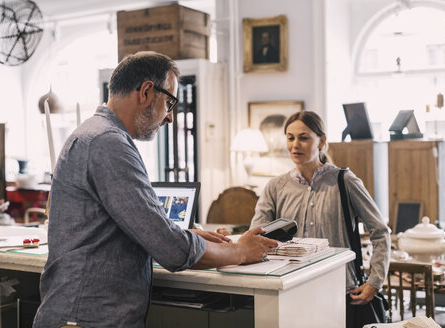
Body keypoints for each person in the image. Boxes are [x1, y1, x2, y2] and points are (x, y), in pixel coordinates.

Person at [32, 51, 277, 328]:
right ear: (147, 91)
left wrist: (185, 234)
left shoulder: (94, 134)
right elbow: (170, 249)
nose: (170, 118)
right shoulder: (108, 143)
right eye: (170, 103)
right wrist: (241, 251)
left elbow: (123, 230)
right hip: (87, 318)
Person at [249, 111, 390, 328]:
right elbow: (256, 237)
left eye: (304, 138)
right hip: (291, 290)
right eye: (290, 138)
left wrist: (375, 282)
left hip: (341, 292)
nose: (295, 144)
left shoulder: (345, 181)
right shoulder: (275, 187)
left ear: (321, 141)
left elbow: (380, 231)